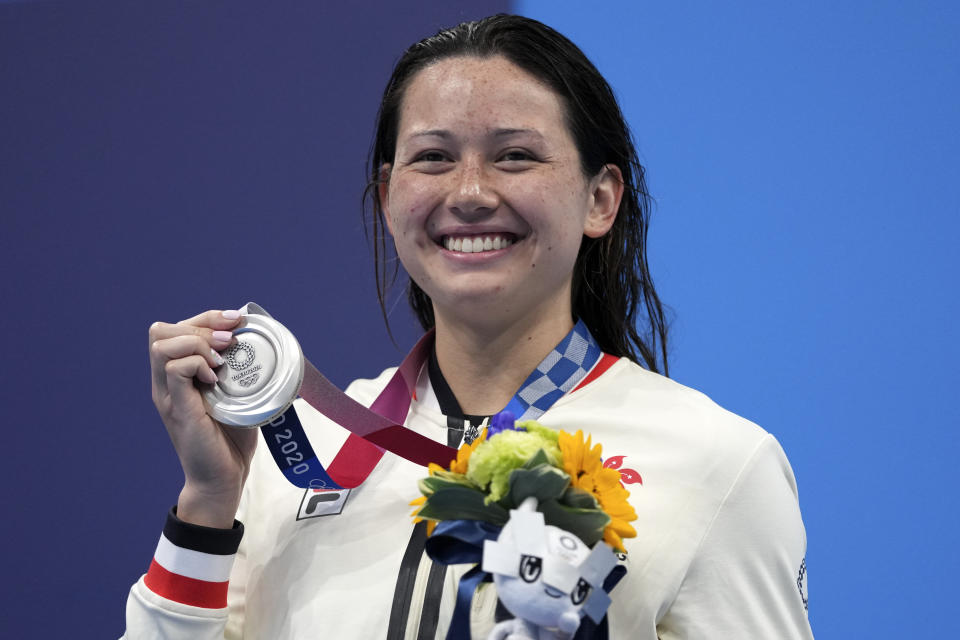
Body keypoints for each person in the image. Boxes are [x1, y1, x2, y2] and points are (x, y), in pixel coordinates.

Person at [124, 14, 813, 639]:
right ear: (390, 198)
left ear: (600, 200)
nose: (471, 193)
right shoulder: (291, 458)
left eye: (515, 155)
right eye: (434, 157)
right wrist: (210, 502)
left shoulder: (716, 462)